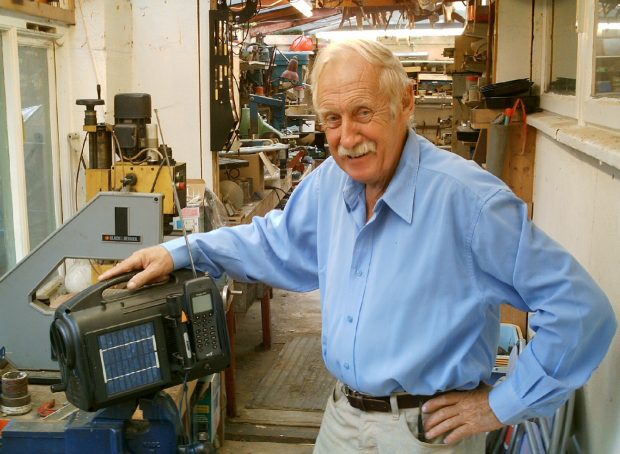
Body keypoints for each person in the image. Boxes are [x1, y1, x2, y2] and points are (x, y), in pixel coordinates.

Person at [99, 39, 617, 453]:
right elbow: (277, 242)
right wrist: (182, 251)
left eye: (363, 112)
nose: (347, 138)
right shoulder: (329, 183)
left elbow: (580, 311)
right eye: (331, 120)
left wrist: (500, 405)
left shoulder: (470, 202)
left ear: (406, 102)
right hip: (342, 420)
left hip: (427, 435)